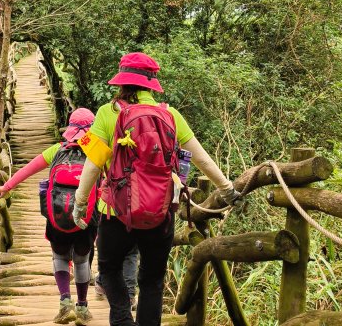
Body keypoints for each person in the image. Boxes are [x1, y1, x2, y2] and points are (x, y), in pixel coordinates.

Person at [72, 52, 243, 326]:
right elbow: (201, 157)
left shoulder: (107, 113)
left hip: (115, 211)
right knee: (152, 278)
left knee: (108, 269)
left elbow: (93, 165)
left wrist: (80, 203)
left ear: (122, 82)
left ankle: (121, 318)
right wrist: (227, 188)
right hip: (160, 210)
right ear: (152, 83)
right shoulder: (170, 115)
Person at [0, 108, 98, 326]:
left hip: (57, 215)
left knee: (59, 258)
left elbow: (29, 169)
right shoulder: (96, 151)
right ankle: (83, 307)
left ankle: (64, 302)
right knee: (81, 260)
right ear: (91, 129)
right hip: (86, 217)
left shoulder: (57, 150)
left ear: (69, 128)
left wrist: (6, 187)